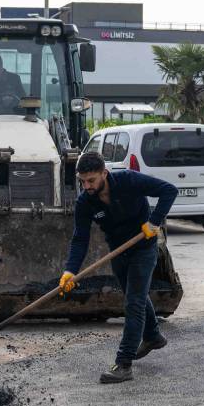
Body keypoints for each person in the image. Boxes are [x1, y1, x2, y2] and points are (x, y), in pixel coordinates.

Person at [60, 151, 177, 384]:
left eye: (91, 180)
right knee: (136, 296)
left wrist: (154, 222)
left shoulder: (128, 180)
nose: (87, 186)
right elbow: (80, 238)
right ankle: (153, 336)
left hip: (144, 247)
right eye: (82, 181)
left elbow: (168, 190)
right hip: (119, 251)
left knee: (133, 301)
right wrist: (70, 270)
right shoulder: (85, 202)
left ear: (104, 173)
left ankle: (123, 364)